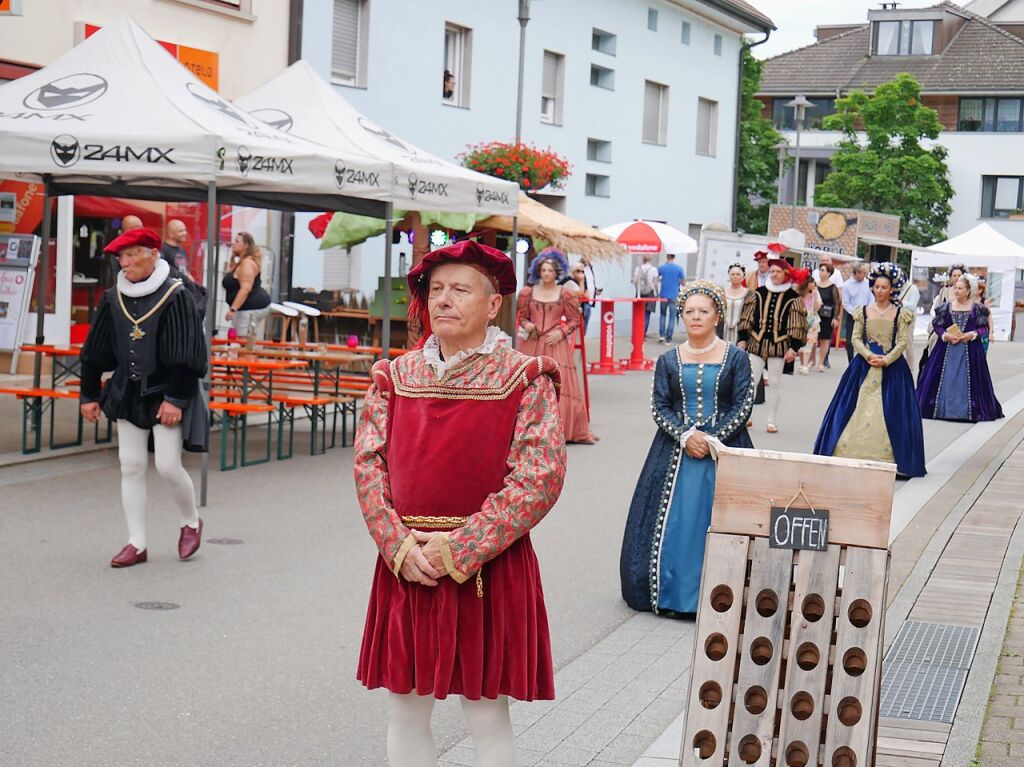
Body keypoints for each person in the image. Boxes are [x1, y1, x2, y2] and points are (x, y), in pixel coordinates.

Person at [354, 240, 566, 767]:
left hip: (485, 567)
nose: (443, 300)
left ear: (493, 304)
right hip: (409, 565)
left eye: (460, 289)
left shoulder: (524, 378)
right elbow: (368, 465)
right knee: (404, 710)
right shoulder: (395, 377)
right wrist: (398, 546)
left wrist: (460, 547)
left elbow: (538, 477)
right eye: (436, 289)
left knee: (486, 715)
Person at [620, 280, 753, 616]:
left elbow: (743, 405)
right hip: (674, 453)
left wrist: (712, 439)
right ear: (681, 316)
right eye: (689, 311)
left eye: (703, 311)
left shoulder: (737, 358)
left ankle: (721, 594)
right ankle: (670, 592)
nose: (696, 317)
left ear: (717, 315)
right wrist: (685, 435)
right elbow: (659, 406)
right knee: (673, 524)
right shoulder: (668, 360)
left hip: (724, 452)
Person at [78, 228, 208, 568]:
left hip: (166, 390)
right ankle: (137, 542)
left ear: (153, 253)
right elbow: (95, 350)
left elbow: (188, 354)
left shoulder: (177, 294)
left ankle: (190, 521)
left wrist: (176, 400)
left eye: (132, 254)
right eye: (122, 256)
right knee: (131, 465)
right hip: (128, 390)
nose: (125, 262)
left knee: (167, 465)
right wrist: (89, 393)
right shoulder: (112, 296)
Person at [813, 263, 926, 478]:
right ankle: (847, 454)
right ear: (872, 288)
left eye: (885, 287)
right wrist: (869, 355)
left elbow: (902, 341)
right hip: (864, 365)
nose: (880, 291)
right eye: (877, 287)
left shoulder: (900, 314)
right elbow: (855, 338)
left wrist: (888, 359)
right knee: (850, 407)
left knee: (894, 411)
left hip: (893, 368)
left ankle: (892, 460)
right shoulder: (863, 312)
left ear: (892, 289)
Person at [517, 251, 597, 444]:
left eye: (550, 270)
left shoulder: (565, 294)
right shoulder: (528, 292)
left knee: (557, 386)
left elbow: (573, 321)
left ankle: (559, 430)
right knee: (530, 385)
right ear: (538, 271)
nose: (546, 274)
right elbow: (522, 317)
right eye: (543, 270)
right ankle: (528, 429)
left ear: (556, 273)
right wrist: (528, 325)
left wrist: (560, 333)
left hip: (555, 344)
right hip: (532, 344)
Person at [917, 274, 1004, 423]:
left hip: (970, 350)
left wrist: (972, 334)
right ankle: (941, 408)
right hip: (946, 349)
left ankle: (965, 410)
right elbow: (938, 326)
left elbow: (983, 328)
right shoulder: (946, 307)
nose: (956, 291)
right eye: (955, 288)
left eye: (960, 288)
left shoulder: (977, 309)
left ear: (969, 291)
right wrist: (945, 336)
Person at [737, 254, 807, 433]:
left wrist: (794, 347)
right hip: (757, 342)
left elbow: (797, 323)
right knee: (752, 380)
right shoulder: (758, 293)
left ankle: (771, 420)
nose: (774, 274)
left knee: (775, 382)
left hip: (779, 344)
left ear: (785, 274)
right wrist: (743, 338)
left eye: (778, 271)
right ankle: (747, 417)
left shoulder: (793, 297)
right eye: (772, 271)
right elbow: (747, 316)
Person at [223, 231, 272, 338]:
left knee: (245, 342)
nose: (233, 244)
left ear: (245, 245)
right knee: (243, 342)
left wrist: (233, 310)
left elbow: (245, 289)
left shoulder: (247, 263)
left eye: (237, 241)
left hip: (250, 307)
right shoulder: (241, 262)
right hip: (246, 307)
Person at [814, 262, 842, 371]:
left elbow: (836, 303)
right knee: (812, 339)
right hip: (815, 315)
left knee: (824, 340)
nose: (821, 272)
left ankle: (821, 362)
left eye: (823, 270)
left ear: (829, 273)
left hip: (827, 316)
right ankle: (811, 360)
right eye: (820, 270)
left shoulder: (832, 287)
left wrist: (835, 317)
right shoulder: (815, 284)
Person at [841, 263, 871, 363]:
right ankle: (851, 362)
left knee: (865, 340)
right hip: (852, 316)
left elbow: (871, 299)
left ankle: (863, 361)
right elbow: (846, 302)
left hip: (866, 315)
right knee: (850, 341)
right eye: (863, 273)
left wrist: (867, 312)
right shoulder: (847, 285)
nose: (865, 275)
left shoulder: (868, 284)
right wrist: (854, 313)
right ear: (856, 273)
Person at [657, 253, 686, 343]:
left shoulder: (662, 268)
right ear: (674, 257)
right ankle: (668, 337)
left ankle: (661, 335)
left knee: (662, 315)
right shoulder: (679, 268)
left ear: (667, 257)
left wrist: (663, 280)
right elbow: (683, 283)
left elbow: (656, 279)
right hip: (674, 295)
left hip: (663, 295)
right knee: (672, 317)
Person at [797, 272, 821, 374]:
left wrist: (815, 296)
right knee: (801, 344)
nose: (813, 285)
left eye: (814, 283)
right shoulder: (799, 294)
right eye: (811, 283)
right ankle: (802, 364)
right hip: (800, 321)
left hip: (812, 322)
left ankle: (805, 365)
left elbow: (817, 308)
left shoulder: (815, 294)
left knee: (809, 343)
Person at [633, 254, 659, 336]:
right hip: (650, 293)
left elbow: (635, 280)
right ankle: (643, 334)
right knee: (647, 314)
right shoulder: (654, 269)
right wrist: (657, 293)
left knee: (639, 313)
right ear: (650, 260)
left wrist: (637, 289)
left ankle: (637, 332)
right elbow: (655, 283)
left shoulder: (638, 268)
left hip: (640, 293)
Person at [722, 262, 748, 345]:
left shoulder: (747, 293)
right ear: (729, 276)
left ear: (743, 277)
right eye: (732, 274)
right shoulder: (723, 292)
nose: (735, 276)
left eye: (738, 274)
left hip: (740, 329)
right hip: (724, 328)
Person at [898, 278, 921, 371]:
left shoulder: (913, 288)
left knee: (908, 344)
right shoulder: (896, 287)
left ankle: (910, 369)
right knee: (897, 345)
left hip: (908, 321)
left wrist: (901, 302)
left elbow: (912, 305)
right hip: (897, 319)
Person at [578, 254, 600, 334]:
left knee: (586, 317)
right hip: (583, 299)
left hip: (591, 298)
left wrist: (595, 289)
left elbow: (590, 281)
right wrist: (583, 291)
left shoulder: (590, 267)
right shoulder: (579, 267)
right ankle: (580, 336)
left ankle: (582, 337)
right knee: (584, 316)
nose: (588, 257)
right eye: (586, 256)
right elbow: (578, 281)